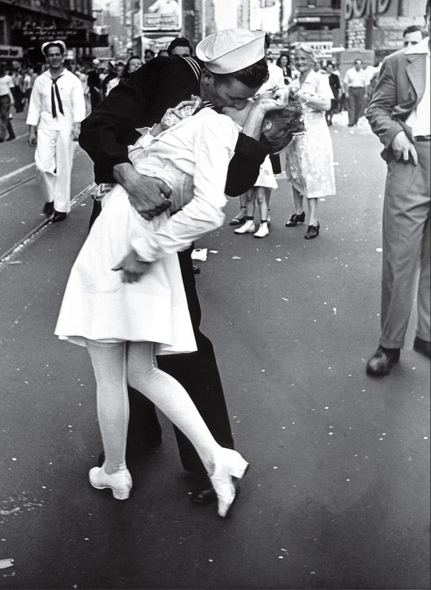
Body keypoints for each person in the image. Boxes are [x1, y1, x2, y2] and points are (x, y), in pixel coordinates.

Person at [56, 80, 303, 517]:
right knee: (141, 370)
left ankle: (117, 470)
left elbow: (209, 208)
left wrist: (145, 247)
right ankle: (216, 458)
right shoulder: (228, 137)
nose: (236, 98)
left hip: (126, 228)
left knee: (110, 370)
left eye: (249, 98)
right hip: (150, 231)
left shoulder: (210, 124)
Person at [365, 0, 430, 376]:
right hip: (411, 160)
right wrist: (394, 135)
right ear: (427, 19)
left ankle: (427, 335)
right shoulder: (401, 61)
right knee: (400, 259)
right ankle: (389, 345)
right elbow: (377, 109)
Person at [26, 41, 86, 222]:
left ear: (63, 56)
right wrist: (31, 130)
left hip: (66, 128)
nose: (54, 58)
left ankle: (61, 207)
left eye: (57, 54)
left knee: (64, 168)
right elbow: (34, 106)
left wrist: (77, 126)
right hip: (45, 127)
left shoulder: (72, 80)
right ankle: (50, 199)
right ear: (46, 58)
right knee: (42, 166)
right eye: (50, 55)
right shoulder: (40, 81)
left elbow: (79, 104)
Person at [232, 41, 287, 232]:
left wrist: (273, 96)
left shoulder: (276, 71)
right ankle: (245, 213)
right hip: (241, 122)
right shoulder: (240, 68)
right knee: (242, 170)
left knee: (263, 177)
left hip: (265, 124)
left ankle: (264, 216)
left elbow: (281, 93)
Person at [285, 43, 336, 240]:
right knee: (296, 172)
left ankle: (314, 220)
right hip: (295, 133)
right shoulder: (295, 80)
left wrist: (301, 96)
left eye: (303, 59)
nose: (299, 62)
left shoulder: (319, 79)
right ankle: (299, 211)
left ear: (312, 60)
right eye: (297, 59)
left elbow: (326, 104)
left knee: (311, 173)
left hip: (314, 133)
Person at [0, 64, 16, 142]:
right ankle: (11, 134)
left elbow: (12, 88)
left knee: (3, 116)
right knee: (4, 117)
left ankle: (2, 136)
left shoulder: (8, 78)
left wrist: (14, 99)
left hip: (5, 98)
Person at [343, 58, 368, 127]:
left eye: (360, 64)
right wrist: (346, 92)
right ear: (354, 65)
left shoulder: (364, 73)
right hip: (352, 90)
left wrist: (365, 93)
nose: (359, 65)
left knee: (359, 106)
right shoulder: (350, 72)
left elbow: (366, 84)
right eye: (357, 64)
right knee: (351, 106)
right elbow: (346, 82)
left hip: (360, 90)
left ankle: (356, 120)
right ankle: (351, 122)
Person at [325, 60, 342, 126]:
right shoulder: (322, 76)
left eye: (331, 68)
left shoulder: (335, 76)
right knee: (326, 106)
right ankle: (326, 119)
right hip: (325, 92)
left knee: (332, 107)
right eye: (328, 67)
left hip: (332, 92)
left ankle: (330, 120)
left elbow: (338, 86)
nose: (329, 69)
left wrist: (338, 93)